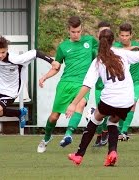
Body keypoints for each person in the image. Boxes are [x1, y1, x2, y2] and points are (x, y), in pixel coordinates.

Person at [66, 29, 139, 166]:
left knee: (95, 119)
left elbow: (87, 85)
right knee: (113, 122)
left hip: (109, 99)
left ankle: (79, 155)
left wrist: (74, 103)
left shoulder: (98, 61)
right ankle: (112, 153)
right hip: (127, 100)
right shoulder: (123, 53)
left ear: (99, 41)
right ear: (114, 41)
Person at [37, 16, 98, 153]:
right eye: (73, 32)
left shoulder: (90, 41)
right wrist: (45, 77)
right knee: (54, 116)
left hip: (83, 83)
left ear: (81, 29)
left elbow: (102, 53)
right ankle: (46, 138)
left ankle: (68, 135)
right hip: (65, 83)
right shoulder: (63, 47)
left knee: (81, 104)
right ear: (68, 31)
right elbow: (56, 67)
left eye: (78, 31)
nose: (76, 34)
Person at [114, 23, 139, 141]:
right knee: (120, 105)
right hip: (121, 83)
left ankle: (124, 131)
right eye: (122, 35)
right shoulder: (115, 47)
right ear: (119, 35)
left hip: (135, 81)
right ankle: (118, 130)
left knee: (132, 103)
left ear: (131, 35)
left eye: (126, 35)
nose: (124, 38)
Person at [92, 21, 111, 147]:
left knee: (109, 112)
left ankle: (105, 133)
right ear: (97, 34)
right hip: (99, 86)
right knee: (99, 112)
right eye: (102, 31)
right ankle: (99, 135)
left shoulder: (115, 49)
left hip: (111, 86)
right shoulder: (94, 50)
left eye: (107, 31)